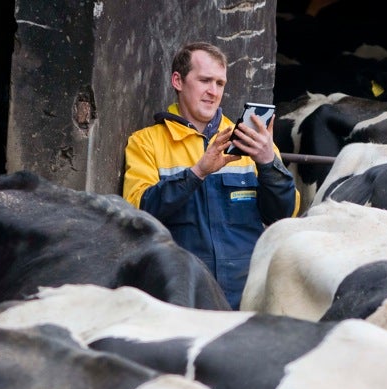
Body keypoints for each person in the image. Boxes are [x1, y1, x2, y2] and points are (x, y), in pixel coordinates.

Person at [123, 42, 299, 309]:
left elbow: (286, 214)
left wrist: (267, 163)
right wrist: (197, 173)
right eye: (205, 80)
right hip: (181, 293)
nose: (213, 92)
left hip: (247, 294)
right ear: (178, 81)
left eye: (220, 83)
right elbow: (138, 215)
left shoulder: (251, 140)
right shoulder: (146, 142)